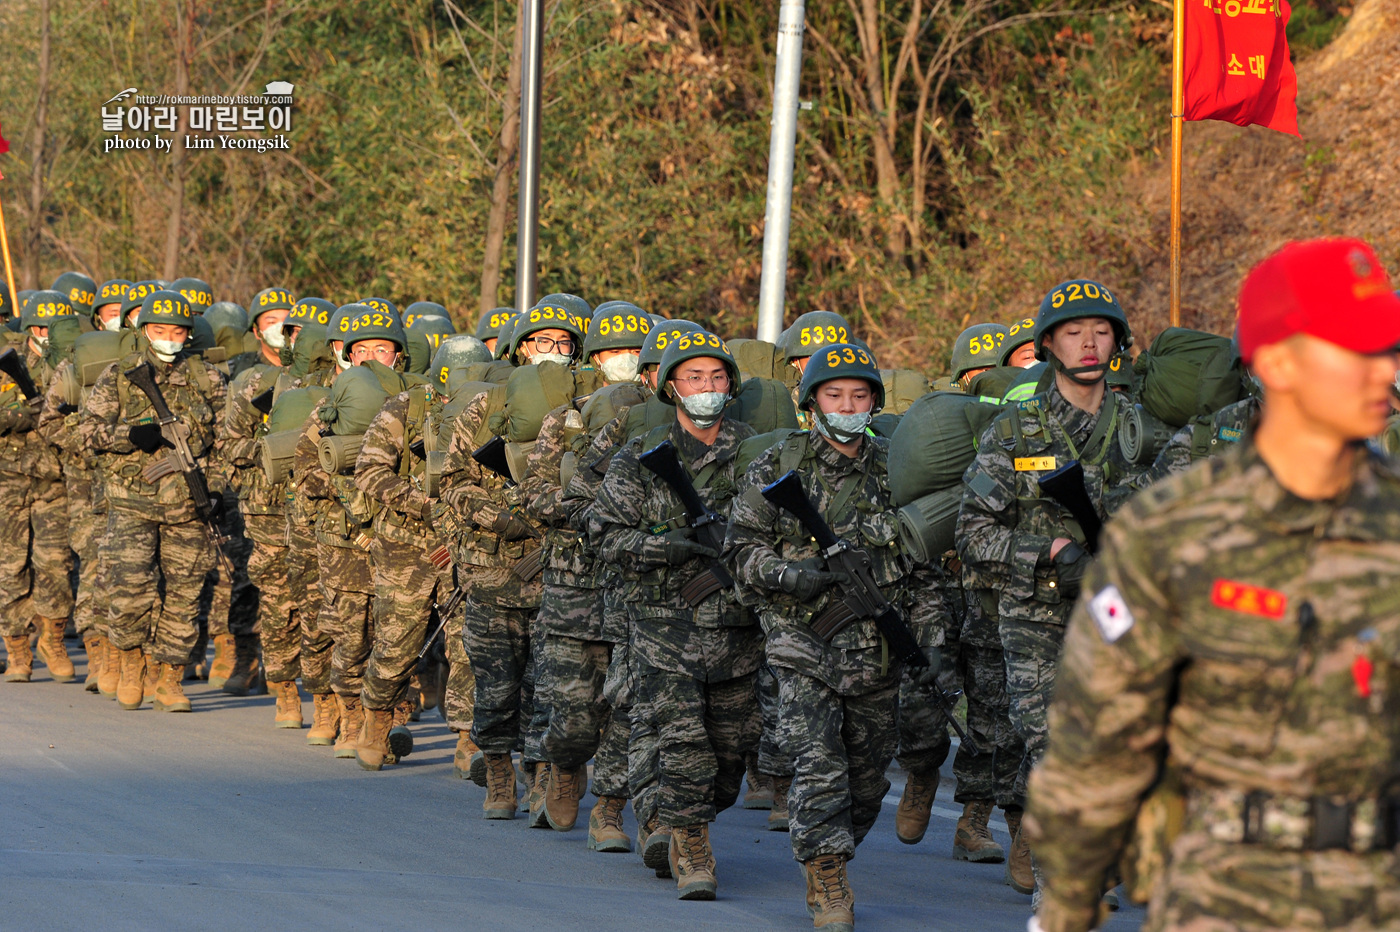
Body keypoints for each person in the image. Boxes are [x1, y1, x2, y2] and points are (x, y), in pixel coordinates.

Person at [1028, 239, 1400, 932]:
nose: (1383, 370)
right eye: (1355, 350)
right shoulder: (1171, 534)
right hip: (1224, 894)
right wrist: (1069, 904)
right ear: (1278, 364)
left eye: (1389, 348)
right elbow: (1098, 743)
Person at [957, 279, 1141, 900]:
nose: (1089, 343)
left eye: (1101, 330)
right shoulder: (1015, 428)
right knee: (1051, 742)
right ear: (1049, 344)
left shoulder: (1143, 430)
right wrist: (1050, 552)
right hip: (1035, 614)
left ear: (1117, 341)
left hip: (1116, 613)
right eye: (1073, 331)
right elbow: (973, 531)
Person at [728, 342, 917, 931]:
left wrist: (928, 641)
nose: (847, 405)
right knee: (818, 761)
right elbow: (740, 549)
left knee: (866, 778)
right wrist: (792, 576)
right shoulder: (780, 465)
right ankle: (826, 871)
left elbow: (928, 564)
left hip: (876, 647)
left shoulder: (897, 467)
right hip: (800, 640)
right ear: (812, 403)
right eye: (834, 395)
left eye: (859, 396)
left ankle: (838, 841)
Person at [591, 332, 761, 900]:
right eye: (694, 378)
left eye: (716, 379)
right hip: (663, 626)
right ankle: (691, 847)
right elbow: (608, 535)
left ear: (731, 386)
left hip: (738, 628)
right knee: (685, 742)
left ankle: (677, 816)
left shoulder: (761, 454)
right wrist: (675, 545)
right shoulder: (641, 458)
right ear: (670, 388)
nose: (706, 389)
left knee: (731, 753)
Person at [79, 290, 227, 711]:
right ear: (144, 331)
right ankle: (130, 662)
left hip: (187, 505)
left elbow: (226, 441)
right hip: (131, 503)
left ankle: (170, 677)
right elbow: (85, 433)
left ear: (188, 333)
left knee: (185, 592)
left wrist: (214, 489)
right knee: (130, 591)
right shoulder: (120, 375)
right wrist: (129, 437)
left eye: (177, 331)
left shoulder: (207, 378)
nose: (168, 338)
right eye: (159, 330)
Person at [0, 291, 78, 683]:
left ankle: (52, 637)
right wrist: (21, 414)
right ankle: (17, 651)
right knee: (11, 567)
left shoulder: (71, 365)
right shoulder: (6, 363)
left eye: (55, 327)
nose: (46, 334)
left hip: (54, 480)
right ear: (29, 327)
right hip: (9, 479)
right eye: (40, 327)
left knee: (55, 564)